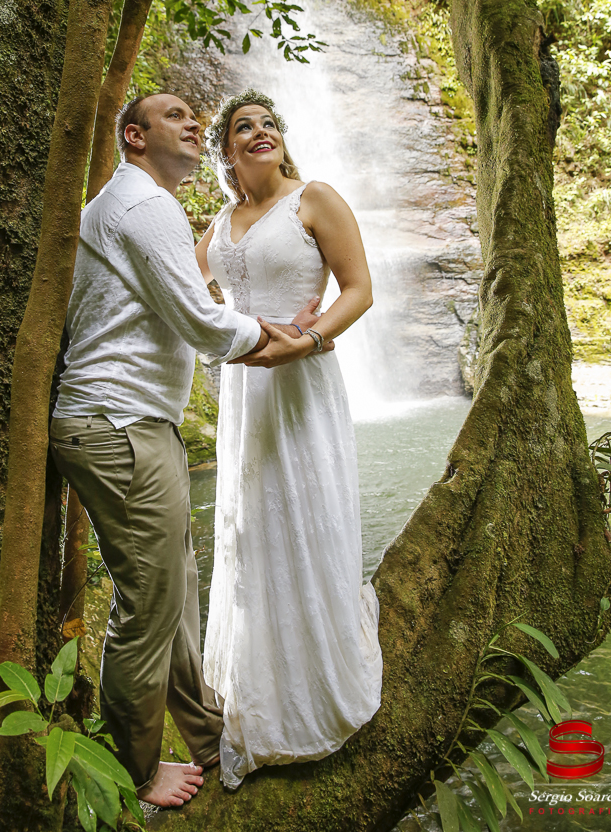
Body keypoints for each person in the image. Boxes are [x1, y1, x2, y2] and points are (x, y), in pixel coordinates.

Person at [50, 92, 320, 808]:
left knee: (171, 589)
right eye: (176, 116)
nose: (196, 123)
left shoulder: (135, 206)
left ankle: (205, 735)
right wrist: (288, 338)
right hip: (119, 425)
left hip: (128, 423)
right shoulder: (144, 207)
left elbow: (183, 299)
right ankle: (135, 775)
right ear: (134, 137)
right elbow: (204, 323)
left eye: (200, 117)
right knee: (149, 607)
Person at [195, 88, 383, 790]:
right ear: (227, 152)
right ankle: (260, 695)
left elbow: (360, 289)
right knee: (252, 531)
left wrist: (308, 338)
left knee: (303, 516)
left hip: (300, 382)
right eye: (244, 127)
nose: (260, 132)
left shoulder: (314, 199)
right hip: (245, 392)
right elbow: (184, 288)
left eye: (269, 123)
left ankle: (314, 692)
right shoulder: (220, 224)